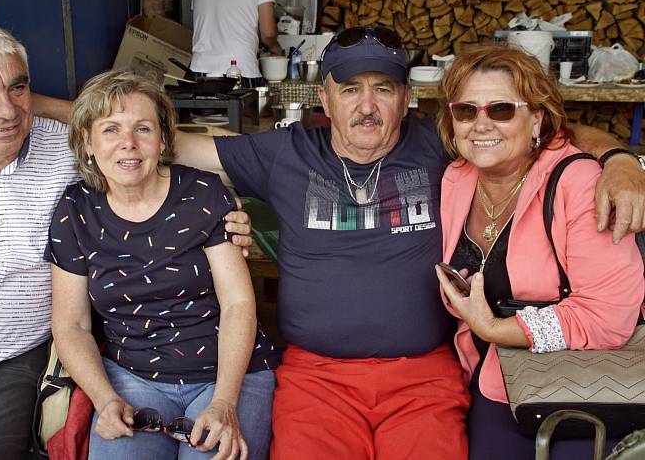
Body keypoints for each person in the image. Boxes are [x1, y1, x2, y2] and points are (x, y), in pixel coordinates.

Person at [166, 25, 645, 460]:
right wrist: (120, 120)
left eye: (383, 89)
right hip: (317, 378)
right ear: (324, 99)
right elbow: (180, 147)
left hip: (425, 376)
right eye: (350, 89)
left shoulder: (442, 143)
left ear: (408, 98)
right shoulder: (284, 152)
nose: (367, 106)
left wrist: (621, 159)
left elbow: (553, 135)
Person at [0, 22, 252, 460]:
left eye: (18, 89)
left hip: (12, 362)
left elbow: (147, 140)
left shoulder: (72, 149)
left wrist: (216, 210)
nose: (7, 111)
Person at [46, 71, 279, 460]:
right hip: (132, 377)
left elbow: (238, 302)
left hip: (227, 372)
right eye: (110, 130)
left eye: (143, 128)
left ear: (163, 139)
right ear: (86, 141)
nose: (128, 145)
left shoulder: (203, 193)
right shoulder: (76, 211)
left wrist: (224, 402)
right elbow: (70, 325)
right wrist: (105, 400)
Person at [434, 44, 645, 459]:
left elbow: (608, 315)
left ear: (537, 118)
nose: (481, 124)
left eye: (501, 110)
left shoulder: (579, 182)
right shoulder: (456, 178)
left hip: (584, 388)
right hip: (493, 379)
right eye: (466, 110)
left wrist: (495, 328)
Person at [190, 0, 283, 86]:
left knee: (207, 108)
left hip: (199, 70)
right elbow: (268, 33)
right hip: (239, 70)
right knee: (249, 108)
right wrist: (276, 48)